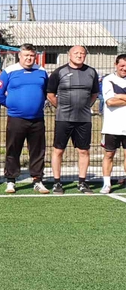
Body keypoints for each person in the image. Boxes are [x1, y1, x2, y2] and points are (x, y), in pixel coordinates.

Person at [0, 44, 49, 194]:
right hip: (16, 119)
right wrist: (12, 105)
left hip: (37, 119)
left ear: (35, 56)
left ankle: (37, 180)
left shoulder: (42, 71)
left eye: (32, 55)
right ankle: (11, 180)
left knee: (38, 151)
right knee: (13, 149)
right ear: (20, 56)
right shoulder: (9, 71)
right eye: (26, 55)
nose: (29, 58)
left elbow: (47, 92)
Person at [47, 45, 99, 194]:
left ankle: (82, 182)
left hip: (84, 119)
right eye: (76, 53)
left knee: (84, 151)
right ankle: (57, 183)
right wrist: (62, 107)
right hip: (63, 118)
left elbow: (94, 94)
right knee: (58, 150)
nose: (79, 55)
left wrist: (85, 107)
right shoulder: (59, 72)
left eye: (82, 53)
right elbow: (50, 94)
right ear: (69, 55)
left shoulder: (91, 72)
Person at [100, 54, 126, 194]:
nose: (124, 68)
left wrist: (120, 96)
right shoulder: (108, 79)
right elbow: (110, 101)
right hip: (112, 126)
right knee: (109, 154)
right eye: (122, 65)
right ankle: (106, 184)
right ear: (115, 65)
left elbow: (116, 99)